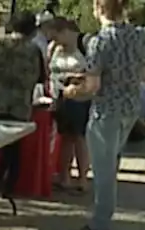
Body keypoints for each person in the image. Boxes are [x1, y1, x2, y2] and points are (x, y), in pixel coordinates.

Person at [64, 0, 145, 230]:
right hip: (129, 108)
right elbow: (143, 74)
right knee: (112, 163)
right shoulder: (139, 36)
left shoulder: (99, 41)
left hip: (106, 109)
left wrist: (72, 91)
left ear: (99, 8)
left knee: (103, 170)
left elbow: (93, 86)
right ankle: (103, 218)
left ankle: (100, 225)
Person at [0, 12, 46, 195]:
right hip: (18, 105)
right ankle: (7, 186)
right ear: (32, 31)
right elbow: (41, 77)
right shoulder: (34, 50)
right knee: (13, 148)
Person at [47, 18, 92, 193]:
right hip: (60, 97)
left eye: (56, 36)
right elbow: (48, 69)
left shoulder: (84, 45)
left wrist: (76, 78)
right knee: (65, 137)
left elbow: (93, 71)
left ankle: (82, 178)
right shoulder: (55, 48)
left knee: (79, 138)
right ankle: (64, 175)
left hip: (80, 98)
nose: (54, 40)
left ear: (66, 31)